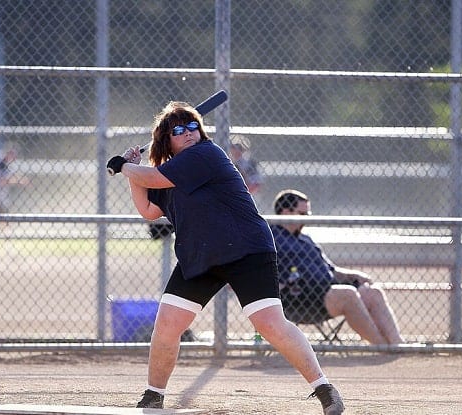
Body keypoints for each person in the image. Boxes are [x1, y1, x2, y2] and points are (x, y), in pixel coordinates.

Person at [106, 101, 344, 414]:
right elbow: (149, 210)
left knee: (270, 324)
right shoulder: (165, 171)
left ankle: (324, 389)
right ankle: (153, 395)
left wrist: (126, 167)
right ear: (166, 139)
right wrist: (131, 173)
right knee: (167, 325)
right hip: (200, 257)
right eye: (178, 130)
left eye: (192, 126)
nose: (188, 133)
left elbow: (152, 178)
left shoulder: (206, 154)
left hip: (246, 249)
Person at [271, 189, 404, 345]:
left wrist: (356, 276)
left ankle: (397, 343)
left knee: (372, 292)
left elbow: (331, 270)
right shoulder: (272, 238)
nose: (306, 219)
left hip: (327, 292)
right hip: (299, 300)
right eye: (302, 214)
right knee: (347, 294)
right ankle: (380, 345)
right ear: (286, 212)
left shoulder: (305, 240)